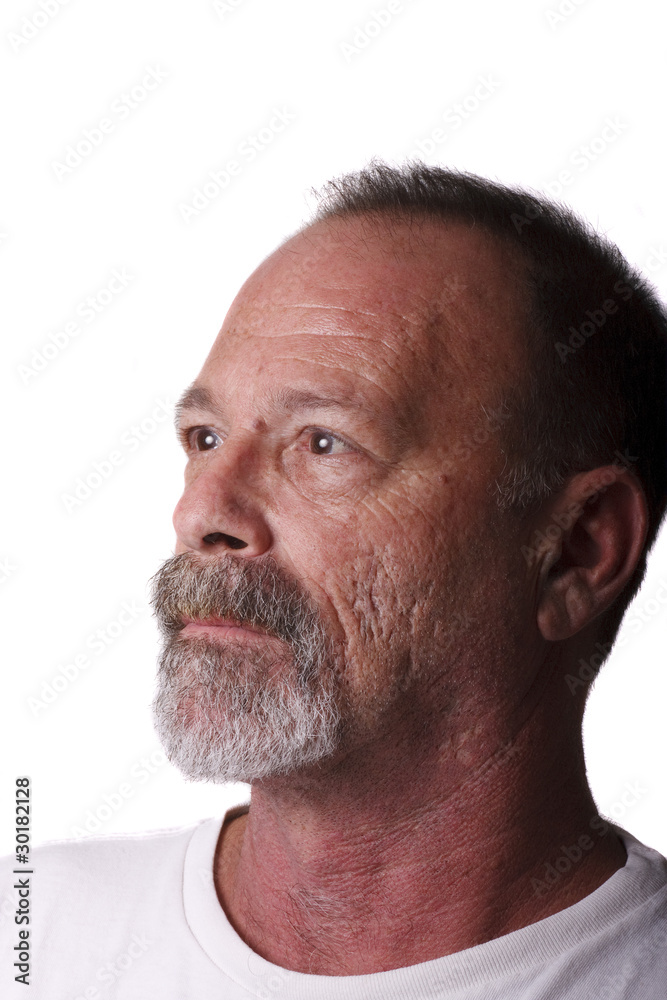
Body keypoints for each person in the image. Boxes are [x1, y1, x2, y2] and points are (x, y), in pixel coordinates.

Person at [2, 162, 666, 997]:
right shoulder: (27, 932)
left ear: (576, 549)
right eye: (204, 438)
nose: (203, 511)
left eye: (323, 443)